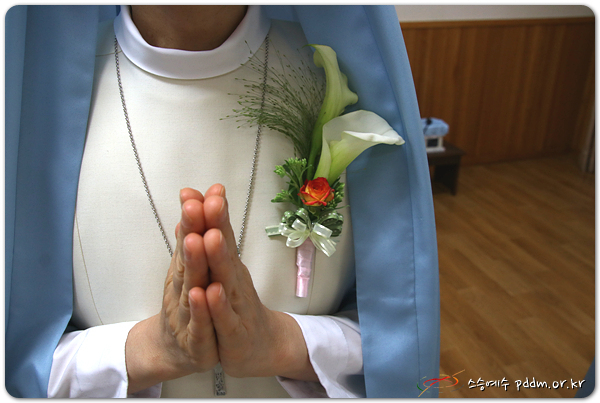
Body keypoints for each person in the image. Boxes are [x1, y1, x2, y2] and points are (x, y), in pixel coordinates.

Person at [5, 5, 440, 398]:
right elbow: (18, 362)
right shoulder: (37, 92)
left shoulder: (335, 71)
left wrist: (282, 343)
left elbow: (401, 335)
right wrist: (148, 350)